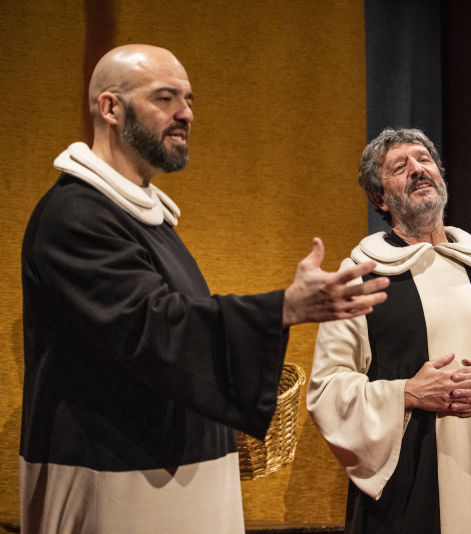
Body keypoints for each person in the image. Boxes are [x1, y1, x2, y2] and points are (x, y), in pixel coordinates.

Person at [19, 44, 389, 534]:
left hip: (174, 477)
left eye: (189, 100)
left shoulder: (144, 219)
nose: (186, 114)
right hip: (116, 485)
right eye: (165, 98)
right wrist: (283, 307)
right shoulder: (76, 217)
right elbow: (152, 327)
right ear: (110, 108)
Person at [306, 127, 471, 534]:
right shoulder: (360, 274)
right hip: (406, 485)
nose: (418, 170)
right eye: (400, 166)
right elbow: (327, 390)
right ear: (380, 198)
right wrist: (407, 393)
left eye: (424, 160)